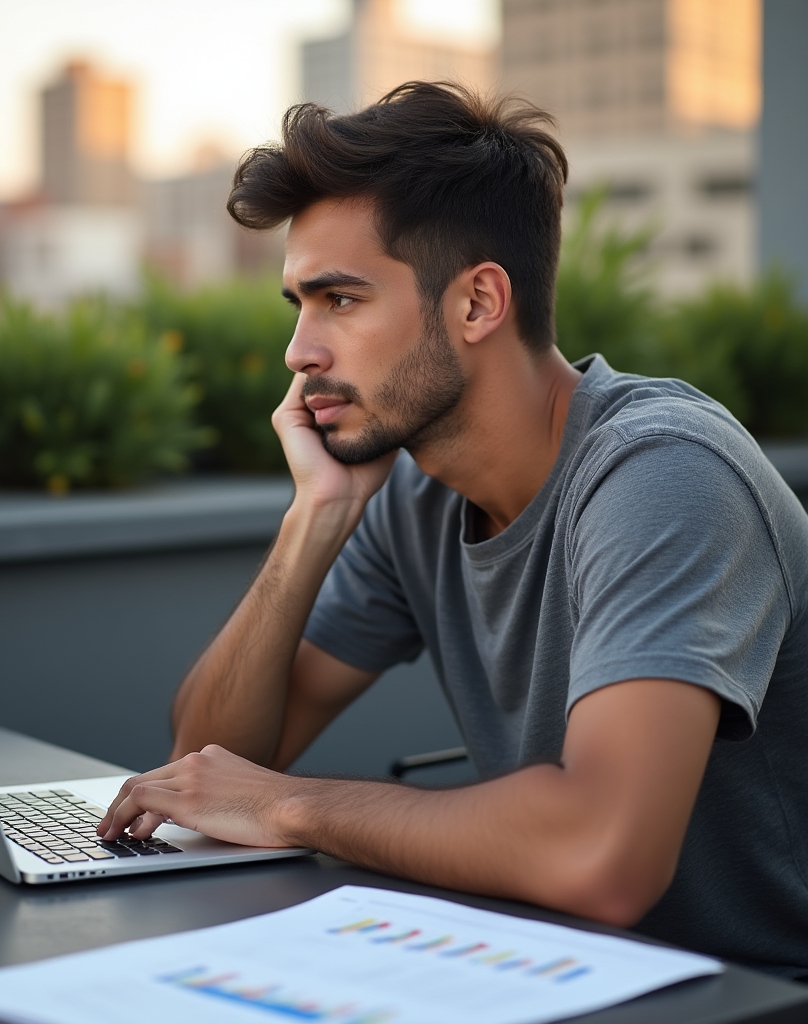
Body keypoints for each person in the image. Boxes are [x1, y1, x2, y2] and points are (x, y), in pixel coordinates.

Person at [98, 83, 808, 977]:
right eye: (298, 305)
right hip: (553, 969)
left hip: (750, 990)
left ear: (477, 304)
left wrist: (292, 807)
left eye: (341, 300)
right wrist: (314, 519)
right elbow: (211, 767)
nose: (300, 351)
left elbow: (606, 856)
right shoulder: (416, 493)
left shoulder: (665, 475)